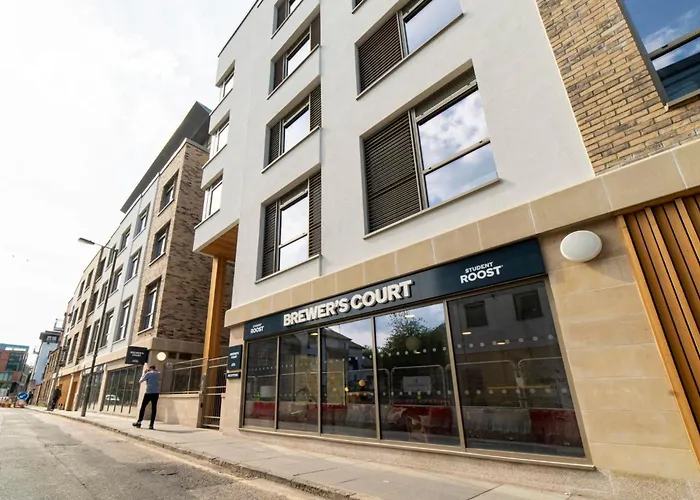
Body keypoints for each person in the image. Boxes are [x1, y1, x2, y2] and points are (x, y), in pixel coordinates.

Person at [133, 365, 161, 430]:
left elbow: (140, 381)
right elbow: (159, 379)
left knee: (143, 407)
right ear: (155, 368)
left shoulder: (148, 374)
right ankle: (151, 425)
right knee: (154, 408)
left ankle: (139, 422)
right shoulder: (158, 374)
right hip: (156, 393)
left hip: (149, 392)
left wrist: (144, 373)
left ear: (150, 369)